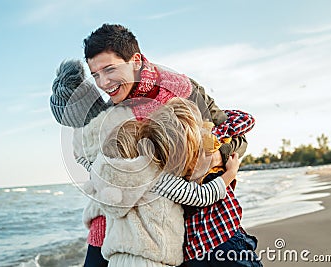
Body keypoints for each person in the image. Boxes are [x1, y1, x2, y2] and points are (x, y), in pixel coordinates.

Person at [50, 23, 251, 266]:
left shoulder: (181, 90)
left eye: (109, 69)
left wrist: (216, 156)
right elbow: (103, 170)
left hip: (204, 226)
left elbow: (235, 136)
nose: (103, 83)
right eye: (95, 75)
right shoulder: (112, 110)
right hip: (141, 230)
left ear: (135, 61)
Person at [78, 97, 242, 266]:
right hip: (151, 262)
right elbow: (200, 195)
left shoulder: (104, 181)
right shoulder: (154, 178)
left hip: (116, 260)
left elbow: (85, 165)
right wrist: (230, 172)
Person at [141, 98, 262, 267]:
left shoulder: (165, 171)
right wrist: (231, 172)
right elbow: (246, 120)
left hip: (192, 253)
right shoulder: (208, 144)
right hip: (224, 236)